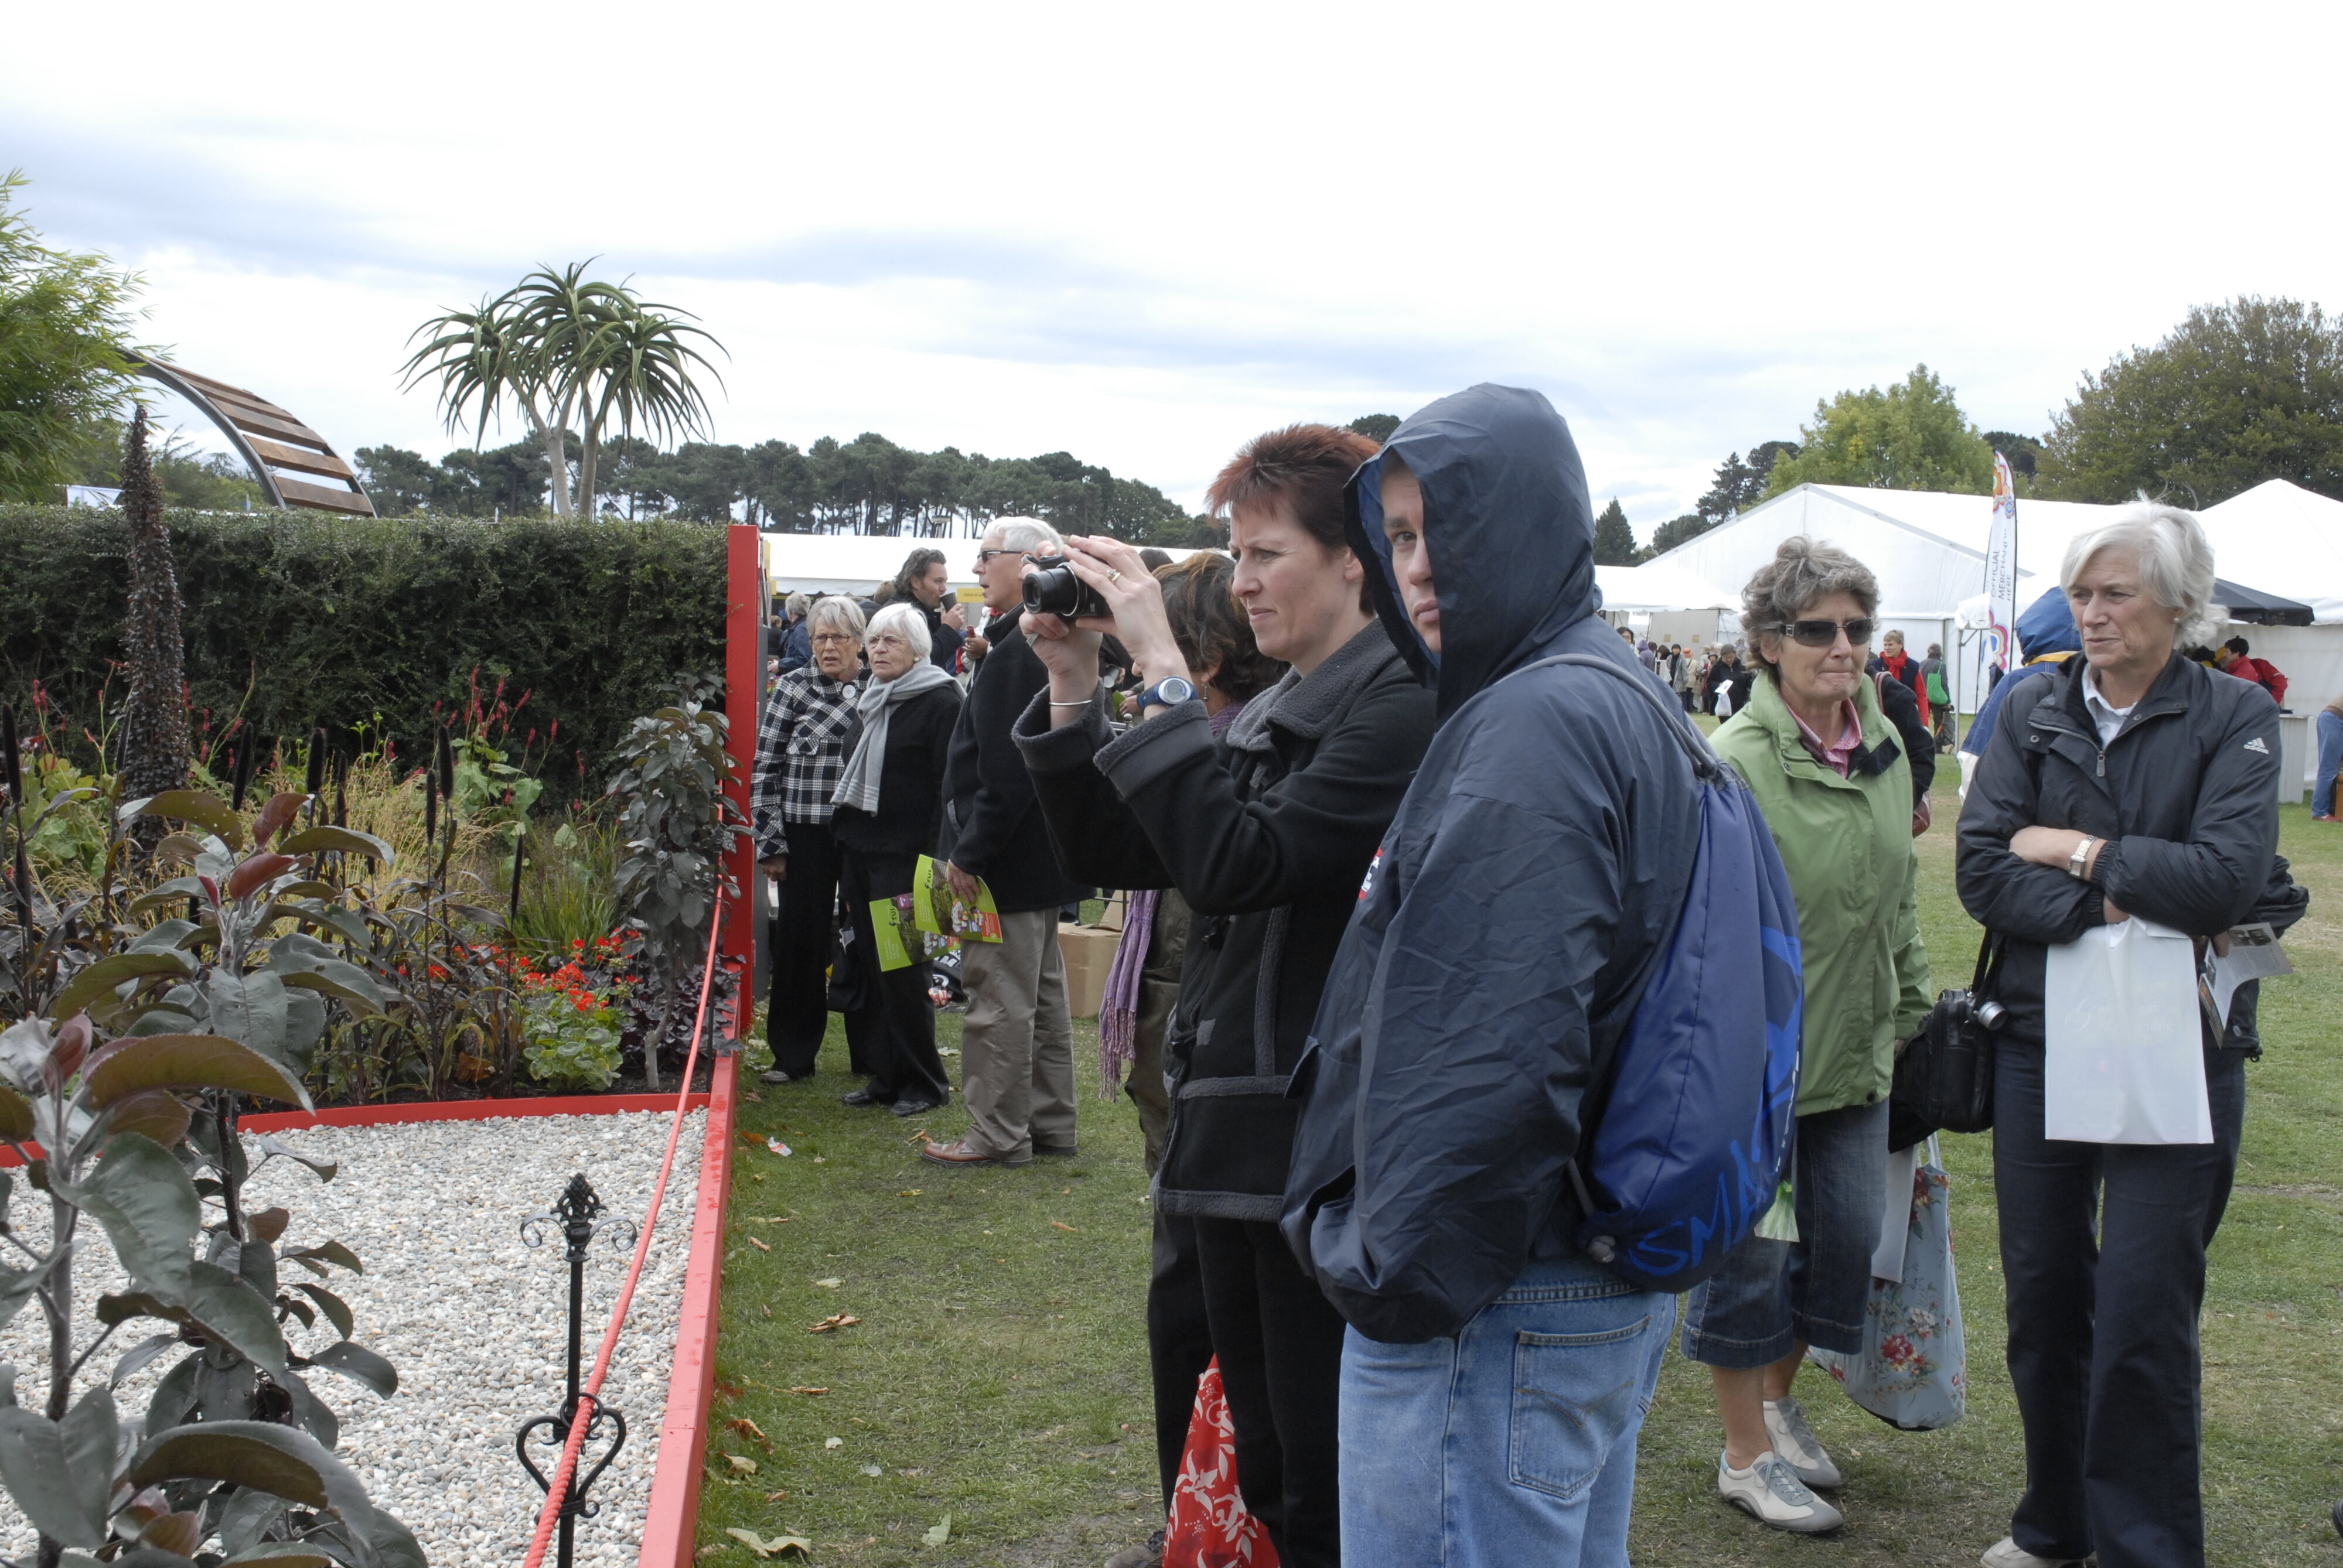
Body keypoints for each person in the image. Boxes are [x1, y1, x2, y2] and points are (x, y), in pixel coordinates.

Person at [1278, 385, 1704, 1567]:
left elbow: (1490, 1046)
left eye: (1444, 528)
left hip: (1493, 1296)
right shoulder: (1600, 688)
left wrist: (1394, 1275)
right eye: (1399, 536)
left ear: (1528, 523)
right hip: (1563, 1277)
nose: (1415, 566)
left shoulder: (1537, 721)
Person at [1016, 423, 1435, 1568]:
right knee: (1264, 1463)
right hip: (1230, 1134)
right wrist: (1071, 686)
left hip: (1310, 1146)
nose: (1237, 582)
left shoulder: (1397, 710)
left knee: (1316, 1483)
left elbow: (1238, 865)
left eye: (1265, 554)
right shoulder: (1278, 709)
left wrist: (1159, 666)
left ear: (1352, 560)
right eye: (1233, 555)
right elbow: (1127, 847)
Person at [1957, 501, 2283, 1568]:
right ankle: (2054, 1524)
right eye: (2079, 594)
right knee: (2043, 1297)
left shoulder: (2232, 711)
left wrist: (2076, 852)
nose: (2087, 615)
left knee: (2143, 1312)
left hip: (2178, 1046)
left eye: (2113, 595)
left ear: (2178, 608)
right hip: (2037, 1038)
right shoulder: (2028, 706)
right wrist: (2109, 894)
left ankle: (2141, 1547)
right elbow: (1979, 869)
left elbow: (2225, 878)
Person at [1680, 538, 1929, 1535]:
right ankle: (1743, 1453)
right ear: (1766, 642)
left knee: (1843, 1248)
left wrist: (1906, 999)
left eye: (1855, 628)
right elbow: (1699, 923)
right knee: (1758, 1257)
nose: (1841, 646)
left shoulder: (1880, 740)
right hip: (1764, 1071)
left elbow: (1895, 893)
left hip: (1859, 1053)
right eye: (1815, 629)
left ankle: (1777, 1406)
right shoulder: (1732, 761)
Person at [1097, 550, 1284, 1173]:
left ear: (1204, 664)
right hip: (1177, 1000)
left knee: (1177, 1159)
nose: (1130, 674)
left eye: (1149, 654)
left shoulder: (1223, 763)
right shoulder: (1231, 745)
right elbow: (1088, 847)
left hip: (1186, 1005)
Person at [922, 519, 1086, 1169]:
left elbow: (1008, 770)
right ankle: (1048, 1123)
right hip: (1039, 856)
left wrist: (971, 852)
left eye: (987, 555)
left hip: (1007, 858)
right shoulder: (1031, 640)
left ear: (1027, 564)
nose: (978, 566)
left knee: (999, 1000)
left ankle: (996, 1133)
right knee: (1041, 999)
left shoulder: (1022, 646)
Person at [830, 602, 963, 1118]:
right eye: (875, 640)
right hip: (861, 849)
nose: (878, 649)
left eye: (891, 640)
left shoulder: (940, 700)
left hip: (906, 857)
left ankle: (925, 1082)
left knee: (905, 970)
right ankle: (886, 1076)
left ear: (919, 649)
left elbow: (945, 788)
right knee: (871, 965)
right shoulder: (874, 698)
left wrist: (935, 861)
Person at [751, 597, 867, 1085]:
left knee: (867, 937)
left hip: (864, 834)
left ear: (859, 642)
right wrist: (771, 843)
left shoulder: (880, 687)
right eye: (820, 637)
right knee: (801, 940)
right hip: (804, 834)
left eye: (839, 637)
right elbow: (765, 768)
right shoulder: (792, 688)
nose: (828, 646)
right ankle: (792, 1055)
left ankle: (873, 1056)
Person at [892, 546, 968, 674]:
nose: (944, 588)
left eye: (945, 582)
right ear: (916, 582)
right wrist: (948, 629)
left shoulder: (923, 612)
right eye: (938, 581)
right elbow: (923, 662)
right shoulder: (899, 615)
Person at [1870, 627, 1932, 732]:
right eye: (1885, 645)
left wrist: (1924, 723)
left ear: (1901, 645)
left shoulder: (1913, 667)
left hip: (1907, 718)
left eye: (1891, 645)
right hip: (1881, 718)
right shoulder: (1875, 665)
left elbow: (1921, 696)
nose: (1887, 648)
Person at [2215, 634, 2288, 705]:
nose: (2223, 664)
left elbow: (2231, 691)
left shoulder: (2249, 668)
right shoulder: (2233, 671)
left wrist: (2270, 704)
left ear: (2236, 654)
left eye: (2223, 661)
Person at [2317, 685, 2343, 822]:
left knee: (2330, 769)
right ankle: (2320, 812)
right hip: (2335, 720)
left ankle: (2331, 809)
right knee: (2328, 769)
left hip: (2332, 719)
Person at [1922, 641, 1954, 749]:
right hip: (1936, 697)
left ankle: (1923, 743)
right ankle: (1937, 746)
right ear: (1940, 653)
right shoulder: (1941, 665)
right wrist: (1948, 700)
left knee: (1923, 720)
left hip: (1923, 696)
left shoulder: (1922, 663)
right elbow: (1944, 683)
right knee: (1938, 721)